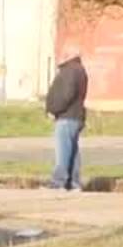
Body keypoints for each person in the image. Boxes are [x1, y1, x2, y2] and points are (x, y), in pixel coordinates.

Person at [45, 53, 89, 191]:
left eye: (63, 54)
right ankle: (74, 183)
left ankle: (58, 182)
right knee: (72, 151)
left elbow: (66, 94)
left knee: (63, 151)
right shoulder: (79, 70)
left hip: (66, 116)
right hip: (76, 116)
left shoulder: (69, 71)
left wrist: (53, 109)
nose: (60, 57)